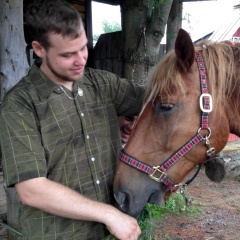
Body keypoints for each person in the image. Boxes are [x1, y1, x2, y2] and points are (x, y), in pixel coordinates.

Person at [0, 1, 144, 239]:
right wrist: (109, 214)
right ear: (39, 49)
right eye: (68, 54)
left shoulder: (103, 84)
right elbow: (32, 190)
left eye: (84, 48)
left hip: (112, 233)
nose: (81, 60)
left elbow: (157, 99)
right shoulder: (19, 105)